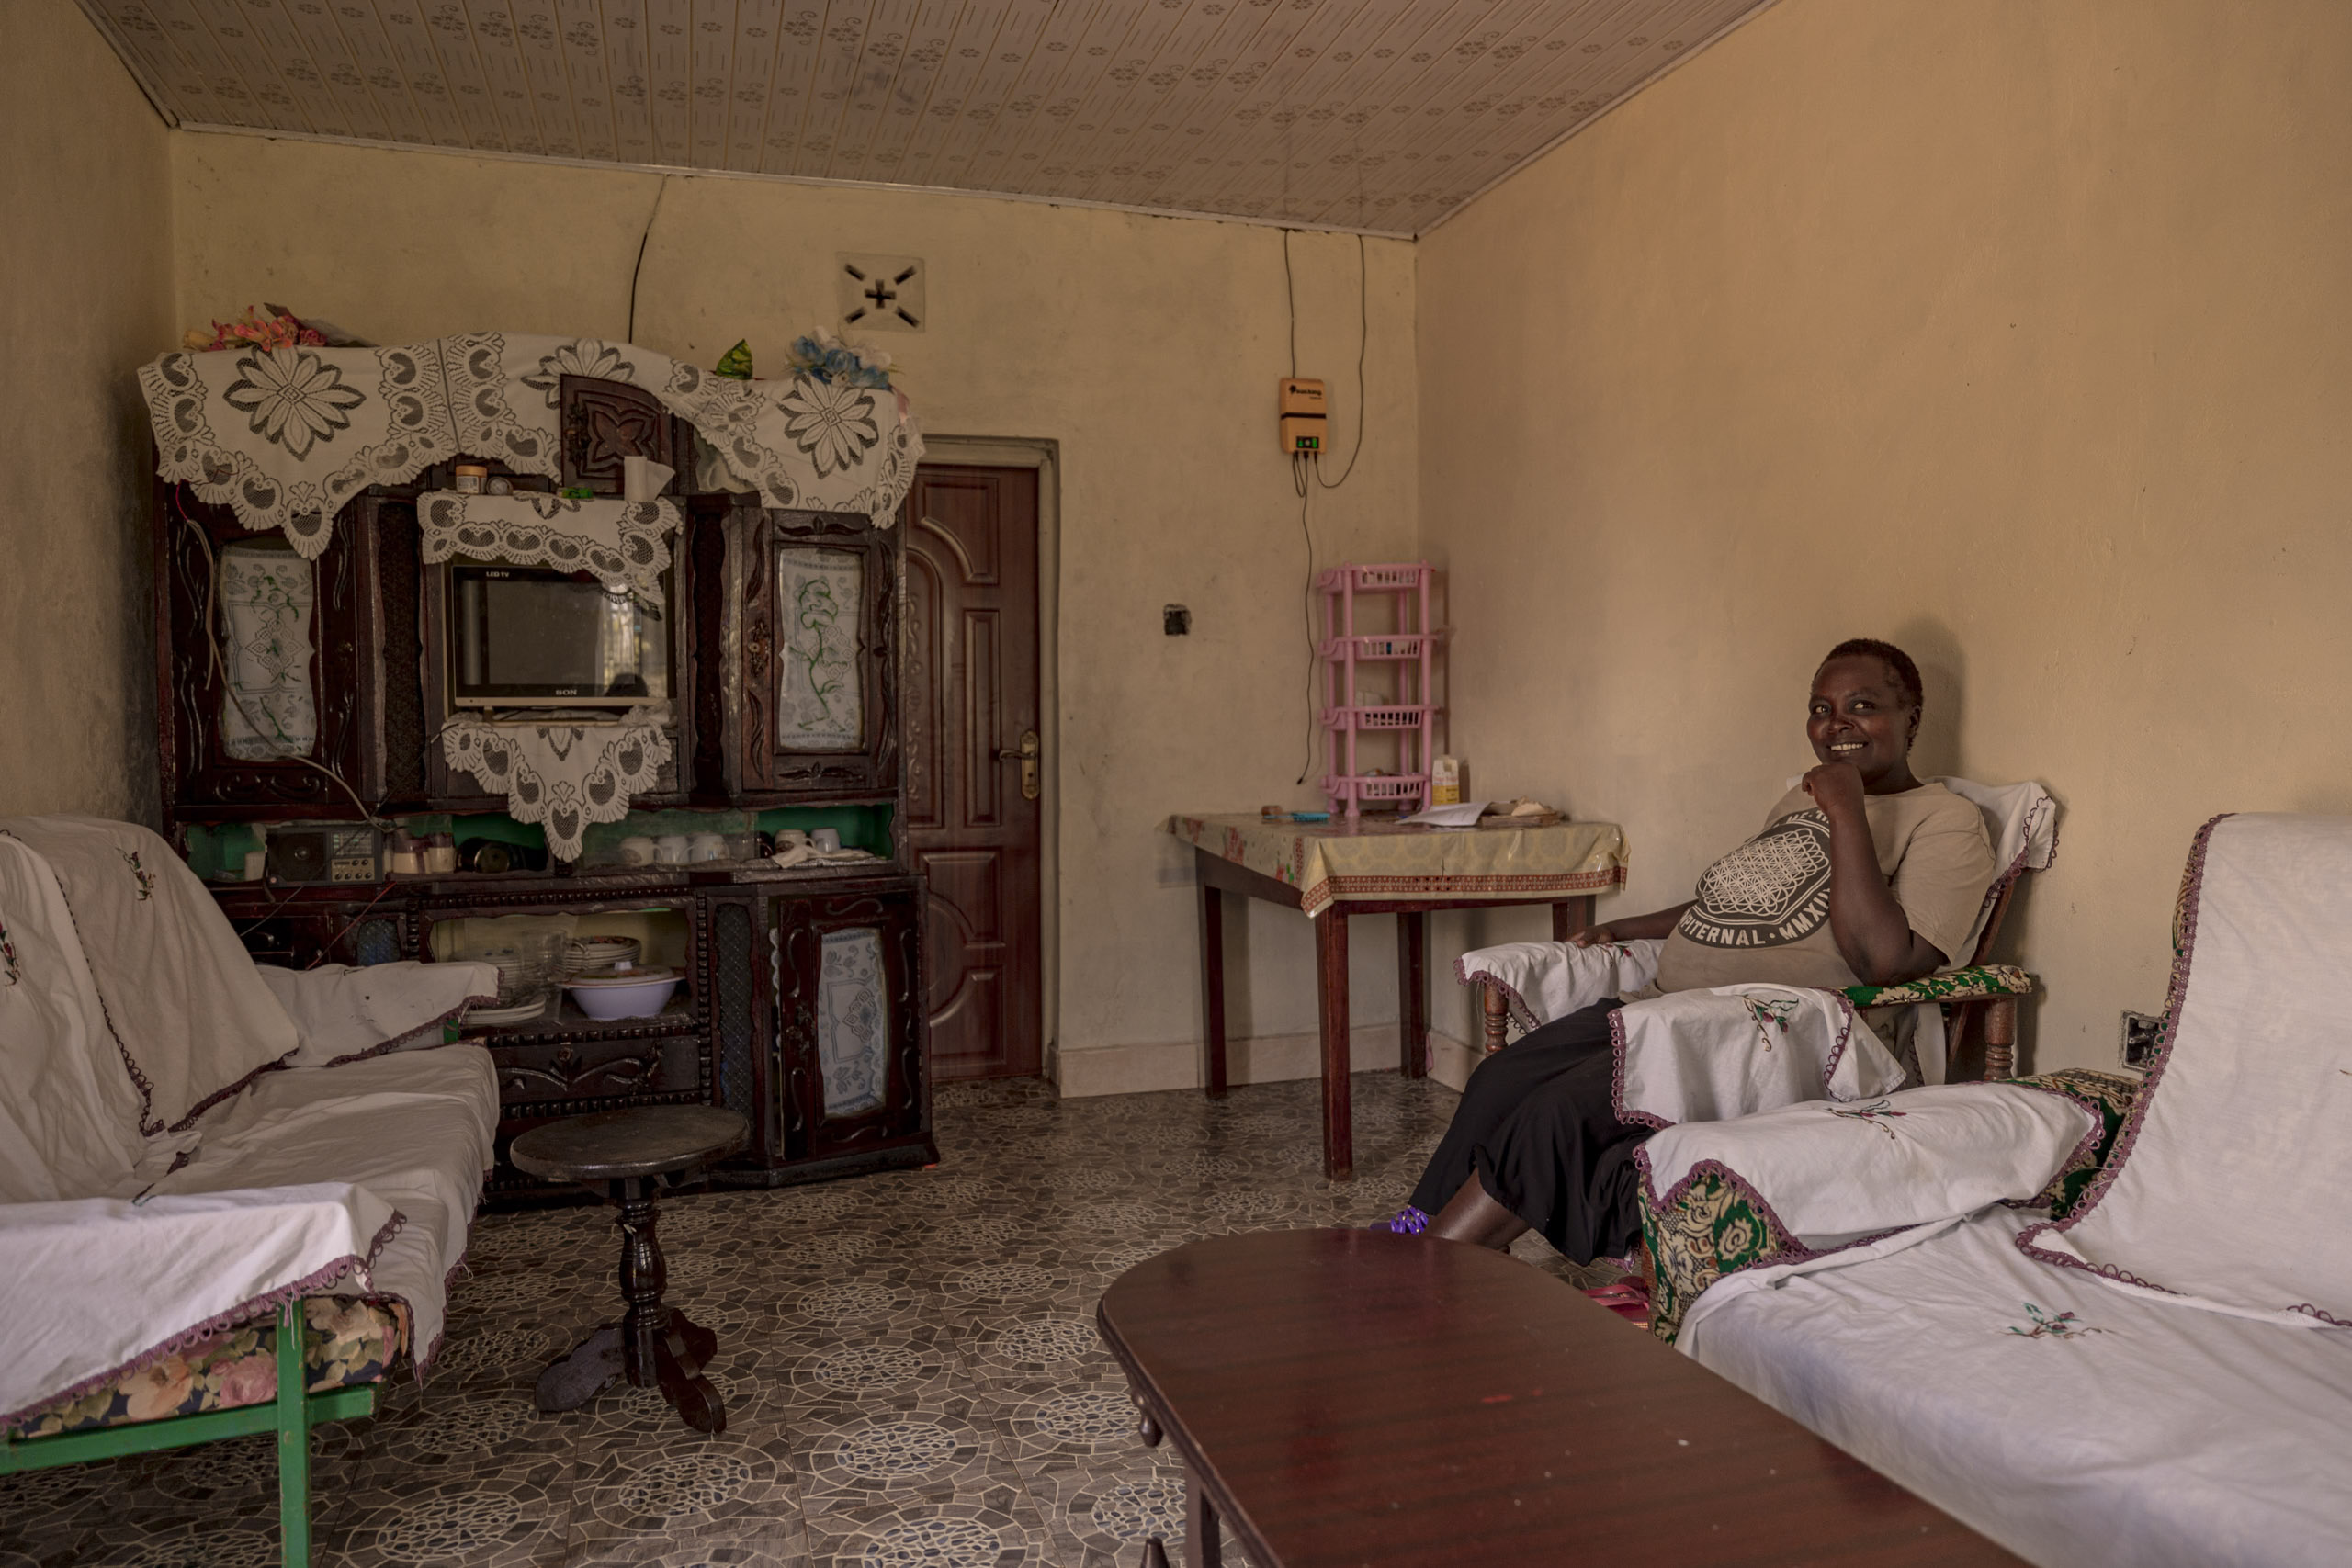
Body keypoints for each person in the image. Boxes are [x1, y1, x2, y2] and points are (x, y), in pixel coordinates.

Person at [1392, 638, 1998, 1267]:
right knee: (1500, 1078)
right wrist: (1631, 925)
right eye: (1821, 707)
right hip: (1665, 1006)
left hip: (1761, 1033)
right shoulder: (1798, 800)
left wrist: (1848, 809)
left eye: (1863, 705)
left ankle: (1428, 1277)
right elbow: (1744, 902)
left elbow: (1887, 959)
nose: (1835, 723)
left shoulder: (1944, 820)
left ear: (1912, 719)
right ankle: (1412, 1233)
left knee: (1554, 1114)